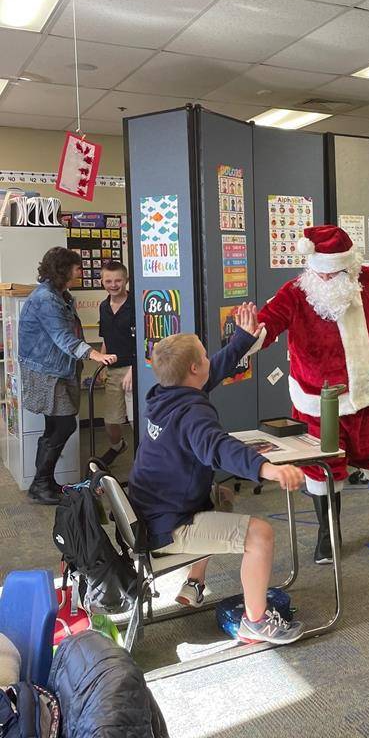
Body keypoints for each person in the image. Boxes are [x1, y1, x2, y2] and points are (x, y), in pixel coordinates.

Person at [127, 307, 306, 645]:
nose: (210, 359)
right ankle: (255, 623)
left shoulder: (164, 395)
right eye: (204, 356)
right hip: (167, 526)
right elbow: (218, 447)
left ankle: (195, 582)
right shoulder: (192, 412)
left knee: (221, 497)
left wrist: (243, 339)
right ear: (194, 368)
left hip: (149, 511)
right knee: (260, 535)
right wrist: (266, 468)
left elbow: (214, 370)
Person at [254, 224, 369, 565]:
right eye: (323, 275)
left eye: (336, 275)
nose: (328, 282)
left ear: (350, 266)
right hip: (319, 402)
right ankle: (328, 531)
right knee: (322, 467)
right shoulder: (296, 292)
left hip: (366, 393)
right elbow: (266, 325)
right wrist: (247, 335)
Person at [18, 247, 117, 505]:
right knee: (63, 425)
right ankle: (41, 484)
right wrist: (94, 355)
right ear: (63, 269)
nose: (80, 271)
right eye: (76, 267)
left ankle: (44, 483)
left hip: (56, 370)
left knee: (54, 426)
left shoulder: (61, 295)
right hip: (46, 373)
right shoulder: (46, 298)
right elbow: (62, 337)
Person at [97, 261, 135, 467]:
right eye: (108, 280)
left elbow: (145, 341)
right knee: (111, 420)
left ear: (126, 280)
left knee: (134, 420)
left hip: (133, 369)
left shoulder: (136, 304)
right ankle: (117, 446)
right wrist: (101, 363)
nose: (113, 284)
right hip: (112, 369)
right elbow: (106, 338)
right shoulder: (103, 306)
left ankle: (146, 456)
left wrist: (134, 371)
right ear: (102, 281)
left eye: (118, 280)